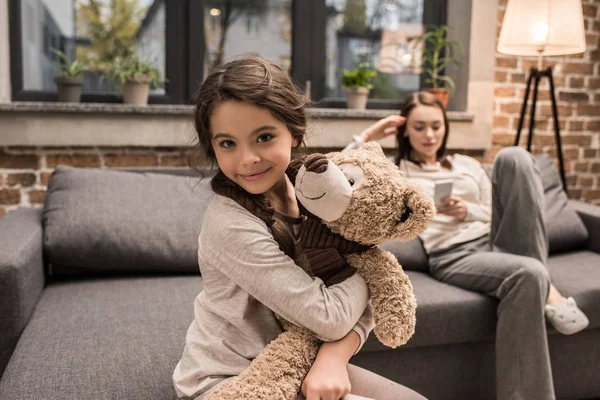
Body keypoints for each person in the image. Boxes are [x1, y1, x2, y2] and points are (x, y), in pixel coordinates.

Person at [173, 56, 426, 400]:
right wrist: (360, 269)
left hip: (300, 362)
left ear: (294, 133)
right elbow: (331, 314)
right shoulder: (229, 222)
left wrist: (333, 358)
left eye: (263, 137)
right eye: (228, 143)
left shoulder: (318, 192)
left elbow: (370, 288)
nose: (247, 158)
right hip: (229, 380)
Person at [345, 91, 589, 400]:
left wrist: (467, 210)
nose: (429, 135)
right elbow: (338, 179)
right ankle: (544, 286)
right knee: (528, 274)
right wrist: (369, 135)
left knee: (513, 157)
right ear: (405, 130)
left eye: (436, 126)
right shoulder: (395, 173)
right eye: (419, 127)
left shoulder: (466, 164)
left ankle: (543, 283)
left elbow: (501, 210)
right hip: (453, 254)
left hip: (496, 239)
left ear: (445, 127)